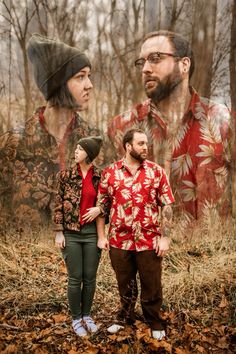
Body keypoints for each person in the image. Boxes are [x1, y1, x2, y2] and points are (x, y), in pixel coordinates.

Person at [108, 30, 231, 221]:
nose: (145, 69)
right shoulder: (121, 127)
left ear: (184, 64)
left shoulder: (223, 121)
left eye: (155, 58)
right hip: (145, 247)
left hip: (210, 249)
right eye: (142, 62)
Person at [0, 33, 101, 228]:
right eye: (80, 77)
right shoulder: (10, 146)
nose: (90, 85)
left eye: (89, 76)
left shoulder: (98, 143)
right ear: (58, 84)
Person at [96, 128, 174, 340]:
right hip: (119, 240)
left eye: (146, 143)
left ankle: (154, 320)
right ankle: (125, 317)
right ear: (128, 146)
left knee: (152, 283)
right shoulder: (110, 173)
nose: (145, 147)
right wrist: (101, 236)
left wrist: (165, 237)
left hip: (149, 240)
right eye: (140, 143)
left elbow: (166, 205)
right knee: (125, 283)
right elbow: (101, 207)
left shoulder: (156, 171)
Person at [54, 135, 103, 337]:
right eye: (75, 148)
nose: (76, 151)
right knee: (75, 278)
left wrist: (99, 208)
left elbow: (106, 202)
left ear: (89, 154)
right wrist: (58, 231)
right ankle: (76, 319)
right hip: (71, 233)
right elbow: (58, 204)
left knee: (90, 278)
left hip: (91, 233)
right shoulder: (65, 175)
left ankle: (87, 316)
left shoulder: (100, 176)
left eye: (80, 149)